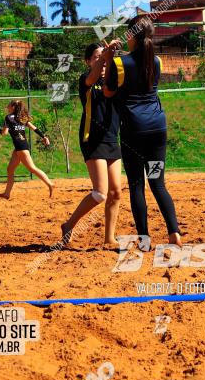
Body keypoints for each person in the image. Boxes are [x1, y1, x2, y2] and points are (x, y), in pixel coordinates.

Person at [104, 17, 181, 246]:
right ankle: (174, 232)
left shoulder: (120, 63)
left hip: (134, 131)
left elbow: (108, 92)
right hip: (158, 128)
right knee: (158, 183)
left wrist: (110, 59)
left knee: (137, 184)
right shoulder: (156, 61)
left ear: (131, 36)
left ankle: (145, 240)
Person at [61, 42, 122, 247]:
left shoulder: (114, 80)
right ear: (88, 61)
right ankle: (69, 224)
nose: (101, 60)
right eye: (96, 57)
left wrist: (112, 55)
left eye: (103, 56)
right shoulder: (86, 80)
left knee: (116, 192)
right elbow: (92, 77)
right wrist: (106, 56)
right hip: (92, 138)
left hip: (112, 138)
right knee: (100, 193)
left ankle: (109, 238)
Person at [0, 99, 53, 200]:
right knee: (10, 169)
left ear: (13, 107)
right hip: (21, 146)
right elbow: (34, 128)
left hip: (20, 147)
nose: (7, 106)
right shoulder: (22, 117)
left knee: (32, 168)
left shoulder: (8, 117)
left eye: (9, 105)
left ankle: (49, 183)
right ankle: (7, 194)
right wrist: (44, 136)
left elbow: (4, 133)